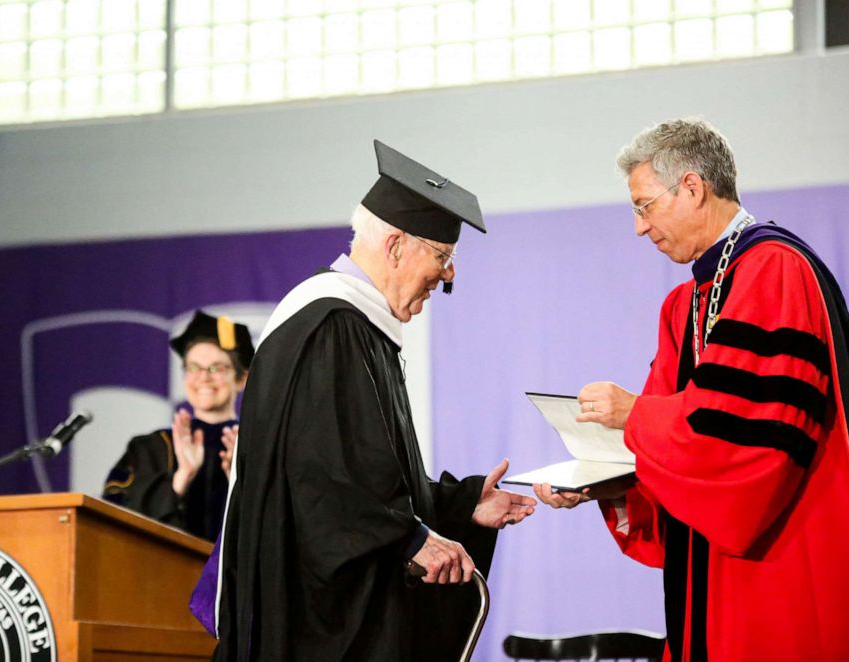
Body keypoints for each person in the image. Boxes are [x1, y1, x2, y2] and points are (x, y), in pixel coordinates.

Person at [535, 118, 849, 661]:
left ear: (693, 188)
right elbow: (667, 449)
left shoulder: (775, 269)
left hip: (787, 562)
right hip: (714, 571)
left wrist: (633, 412)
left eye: (643, 206)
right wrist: (604, 487)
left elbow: (741, 442)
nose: (638, 227)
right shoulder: (685, 305)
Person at [192, 140, 537, 661]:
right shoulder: (330, 328)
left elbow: (365, 478)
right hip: (318, 624)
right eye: (442, 257)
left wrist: (463, 506)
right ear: (396, 245)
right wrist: (407, 539)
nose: (449, 277)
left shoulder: (359, 328)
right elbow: (322, 481)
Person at [103, 310, 254, 540]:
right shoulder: (150, 449)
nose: (204, 378)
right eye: (193, 367)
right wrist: (180, 479)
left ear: (241, 379)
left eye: (217, 368)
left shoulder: (256, 447)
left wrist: (243, 479)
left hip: (236, 576)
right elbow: (113, 519)